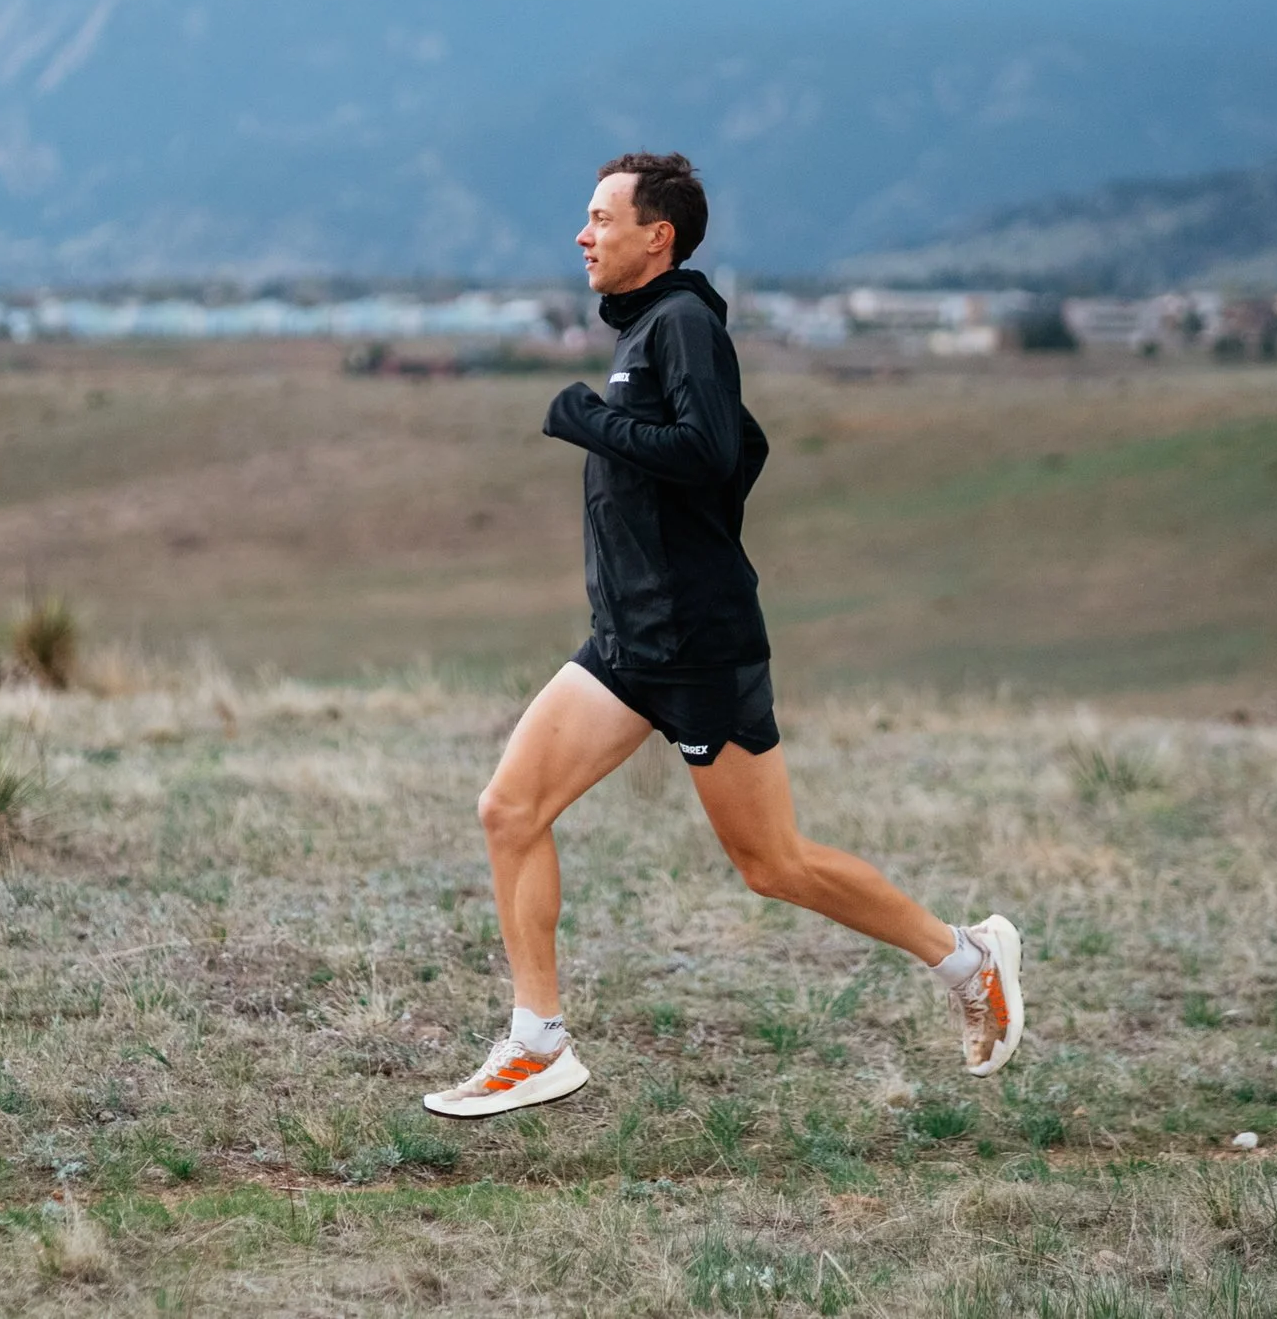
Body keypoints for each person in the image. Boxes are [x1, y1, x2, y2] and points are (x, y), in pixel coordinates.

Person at [423, 153, 1025, 1119]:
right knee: (509, 810)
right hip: (626, 645)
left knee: (772, 864)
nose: (582, 235)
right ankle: (538, 1043)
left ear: (655, 235)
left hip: (697, 647)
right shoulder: (652, 333)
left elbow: (707, 452)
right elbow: (746, 445)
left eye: (599, 217)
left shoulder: (686, 325)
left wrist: (587, 419)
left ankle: (968, 959)